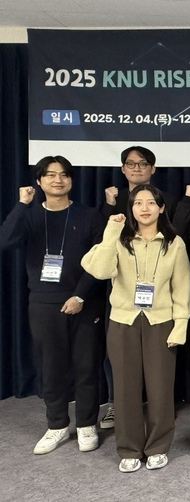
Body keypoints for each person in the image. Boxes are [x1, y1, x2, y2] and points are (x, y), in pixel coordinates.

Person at [82, 184, 190, 473]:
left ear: (161, 208)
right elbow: (99, 270)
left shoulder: (174, 243)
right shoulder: (119, 239)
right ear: (130, 208)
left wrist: (180, 324)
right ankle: (129, 448)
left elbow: (183, 288)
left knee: (160, 390)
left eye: (151, 202)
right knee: (124, 389)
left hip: (161, 322)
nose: (144, 208)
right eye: (138, 203)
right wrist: (111, 233)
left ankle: (157, 447)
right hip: (123, 322)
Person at [0, 156, 104, 455]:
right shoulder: (29, 215)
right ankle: (57, 425)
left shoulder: (89, 215)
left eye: (64, 175)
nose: (58, 180)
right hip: (44, 302)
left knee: (86, 366)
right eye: (50, 175)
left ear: (71, 180)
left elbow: (101, 259)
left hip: (84, 301)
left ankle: (86, 424)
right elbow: (6, 241)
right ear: (39, 180)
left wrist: (80, 296)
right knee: (51, 367)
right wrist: (22, 204)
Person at [100, 145, 177, 428]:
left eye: (142, 163)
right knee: (122, 371)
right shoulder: (115, 201)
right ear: (123, 169)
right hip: (123, 298)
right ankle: (117, 409)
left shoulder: (167, 206)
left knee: (159, 375)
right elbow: (99, 261)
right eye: (131, 164)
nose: (144, 208)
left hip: (159, 304)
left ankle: (158, 420)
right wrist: (110, 215)